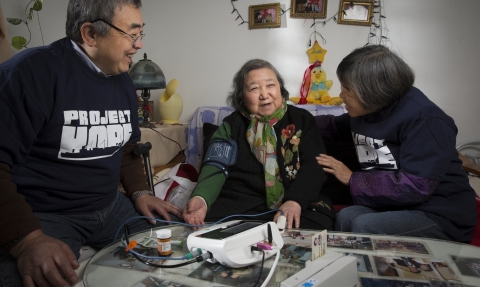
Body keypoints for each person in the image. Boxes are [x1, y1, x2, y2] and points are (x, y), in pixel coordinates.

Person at [0, 0, 183, 287]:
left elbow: (126, 147)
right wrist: (28, 241)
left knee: (179, 243)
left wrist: (140, 192)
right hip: (45, 214)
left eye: (140, 34)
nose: (138, 45)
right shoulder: (31, 74)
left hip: (109, 206)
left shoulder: (121, 77)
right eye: (131, 34)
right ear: (90, 34)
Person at [315, 45, 477, 243]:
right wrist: (294, 117)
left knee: (364, 226)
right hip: (396, 204)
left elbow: (415, 186)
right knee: (345, 217)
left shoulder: (426, 120)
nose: (341, 95)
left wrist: (352, 178)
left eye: (347, 89)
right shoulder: (368, 109)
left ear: (371, 91)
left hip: (439, 211)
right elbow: (333, 127)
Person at [182, 59, 335, 230]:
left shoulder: (302, 119)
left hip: (294, 201)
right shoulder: (231, 125)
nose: (264, 94)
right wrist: (201, 198)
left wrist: (294, 201)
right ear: (242, 96)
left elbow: (314, 166)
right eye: (254, 88)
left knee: (317, 223)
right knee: (206, 226)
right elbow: (216, 165)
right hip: (240, 205)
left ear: (280, 89)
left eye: (270, 85)